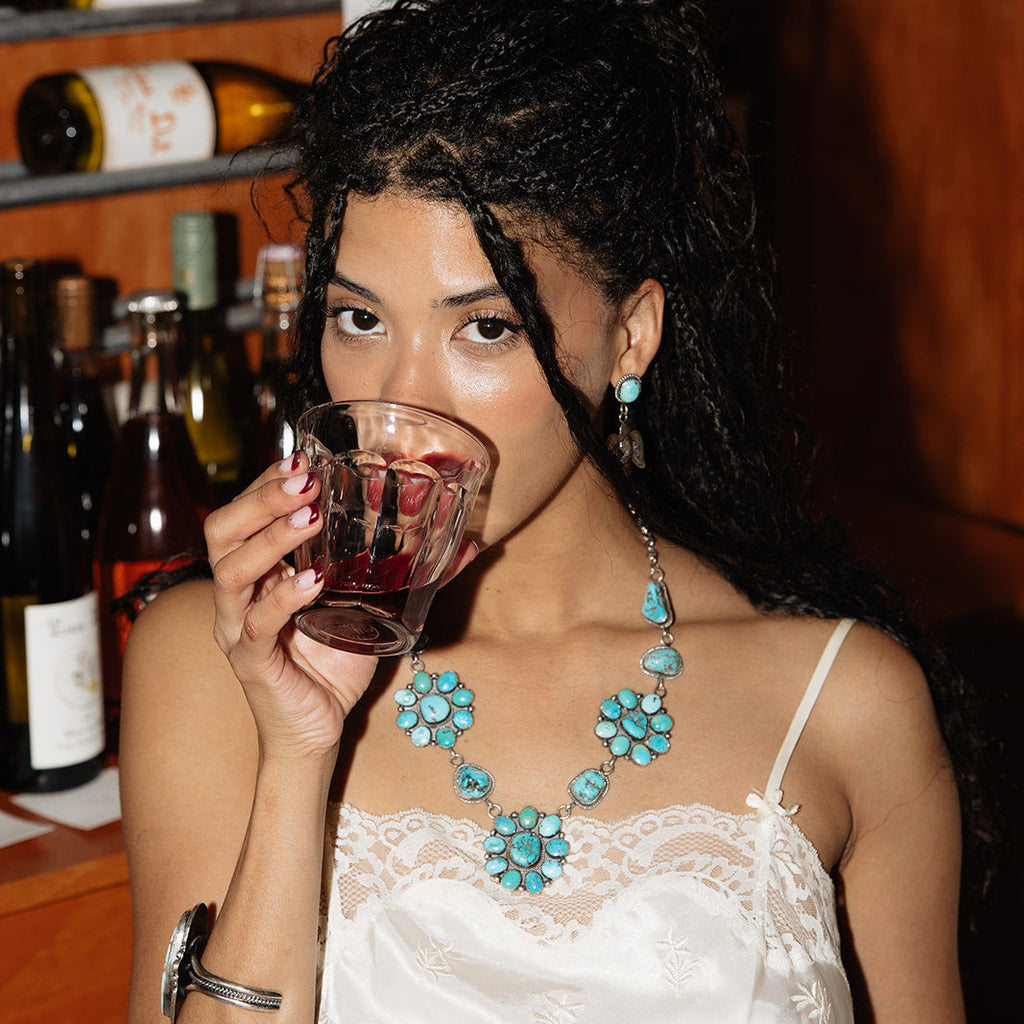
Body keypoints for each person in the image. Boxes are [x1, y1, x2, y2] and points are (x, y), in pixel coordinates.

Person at [120, 2, 966, 1021]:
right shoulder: (216, 663)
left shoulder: (847, 702)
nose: (402, 406)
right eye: (359, 317)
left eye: (485, 327)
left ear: (631, 335)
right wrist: (298, 752)